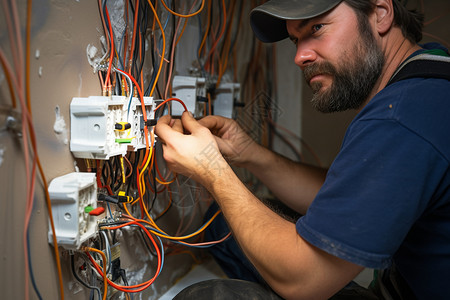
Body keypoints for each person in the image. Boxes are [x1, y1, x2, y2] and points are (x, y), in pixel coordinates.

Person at [155, 0, 450, 299]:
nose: (299, 56)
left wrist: (212, 170)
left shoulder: (399, 116)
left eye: (317, 28)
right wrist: (249, 153)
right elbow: (353, 196)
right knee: (222, 226)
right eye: (296, 39)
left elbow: (304, 282)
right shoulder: (429, 72)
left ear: (381, 13)